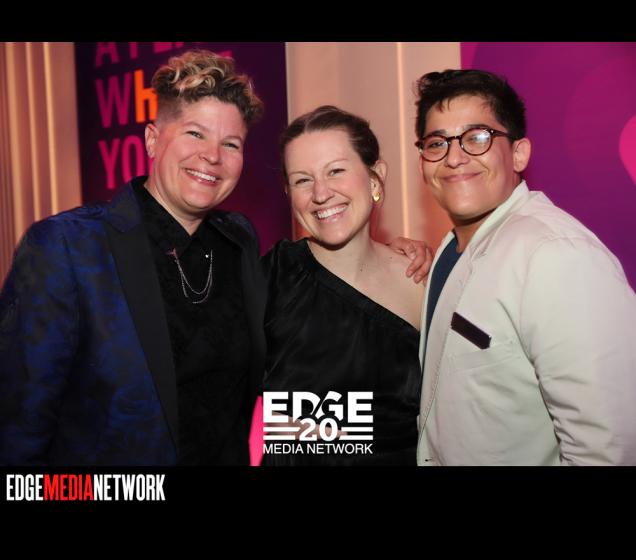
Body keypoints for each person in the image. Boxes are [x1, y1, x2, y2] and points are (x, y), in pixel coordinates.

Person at [0, 50, 430, 466]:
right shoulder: (67, 247)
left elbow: (302, 408)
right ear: (152, 139)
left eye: (231, 143)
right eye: (195, 133)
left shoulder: (238, 244)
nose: (212, 156)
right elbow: (16, 435)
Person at [414, 69, 636, 466]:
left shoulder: (557, 255)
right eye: (437, 143)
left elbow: (608, 447)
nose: (454, 157)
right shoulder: (450, 251)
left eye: (477, 138)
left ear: (518, 153)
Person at [262, 106, 425, 466]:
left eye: (336, 170)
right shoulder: (271, 277)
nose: (321, 193)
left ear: (375, 177)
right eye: (302, 180)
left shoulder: (421, 281)